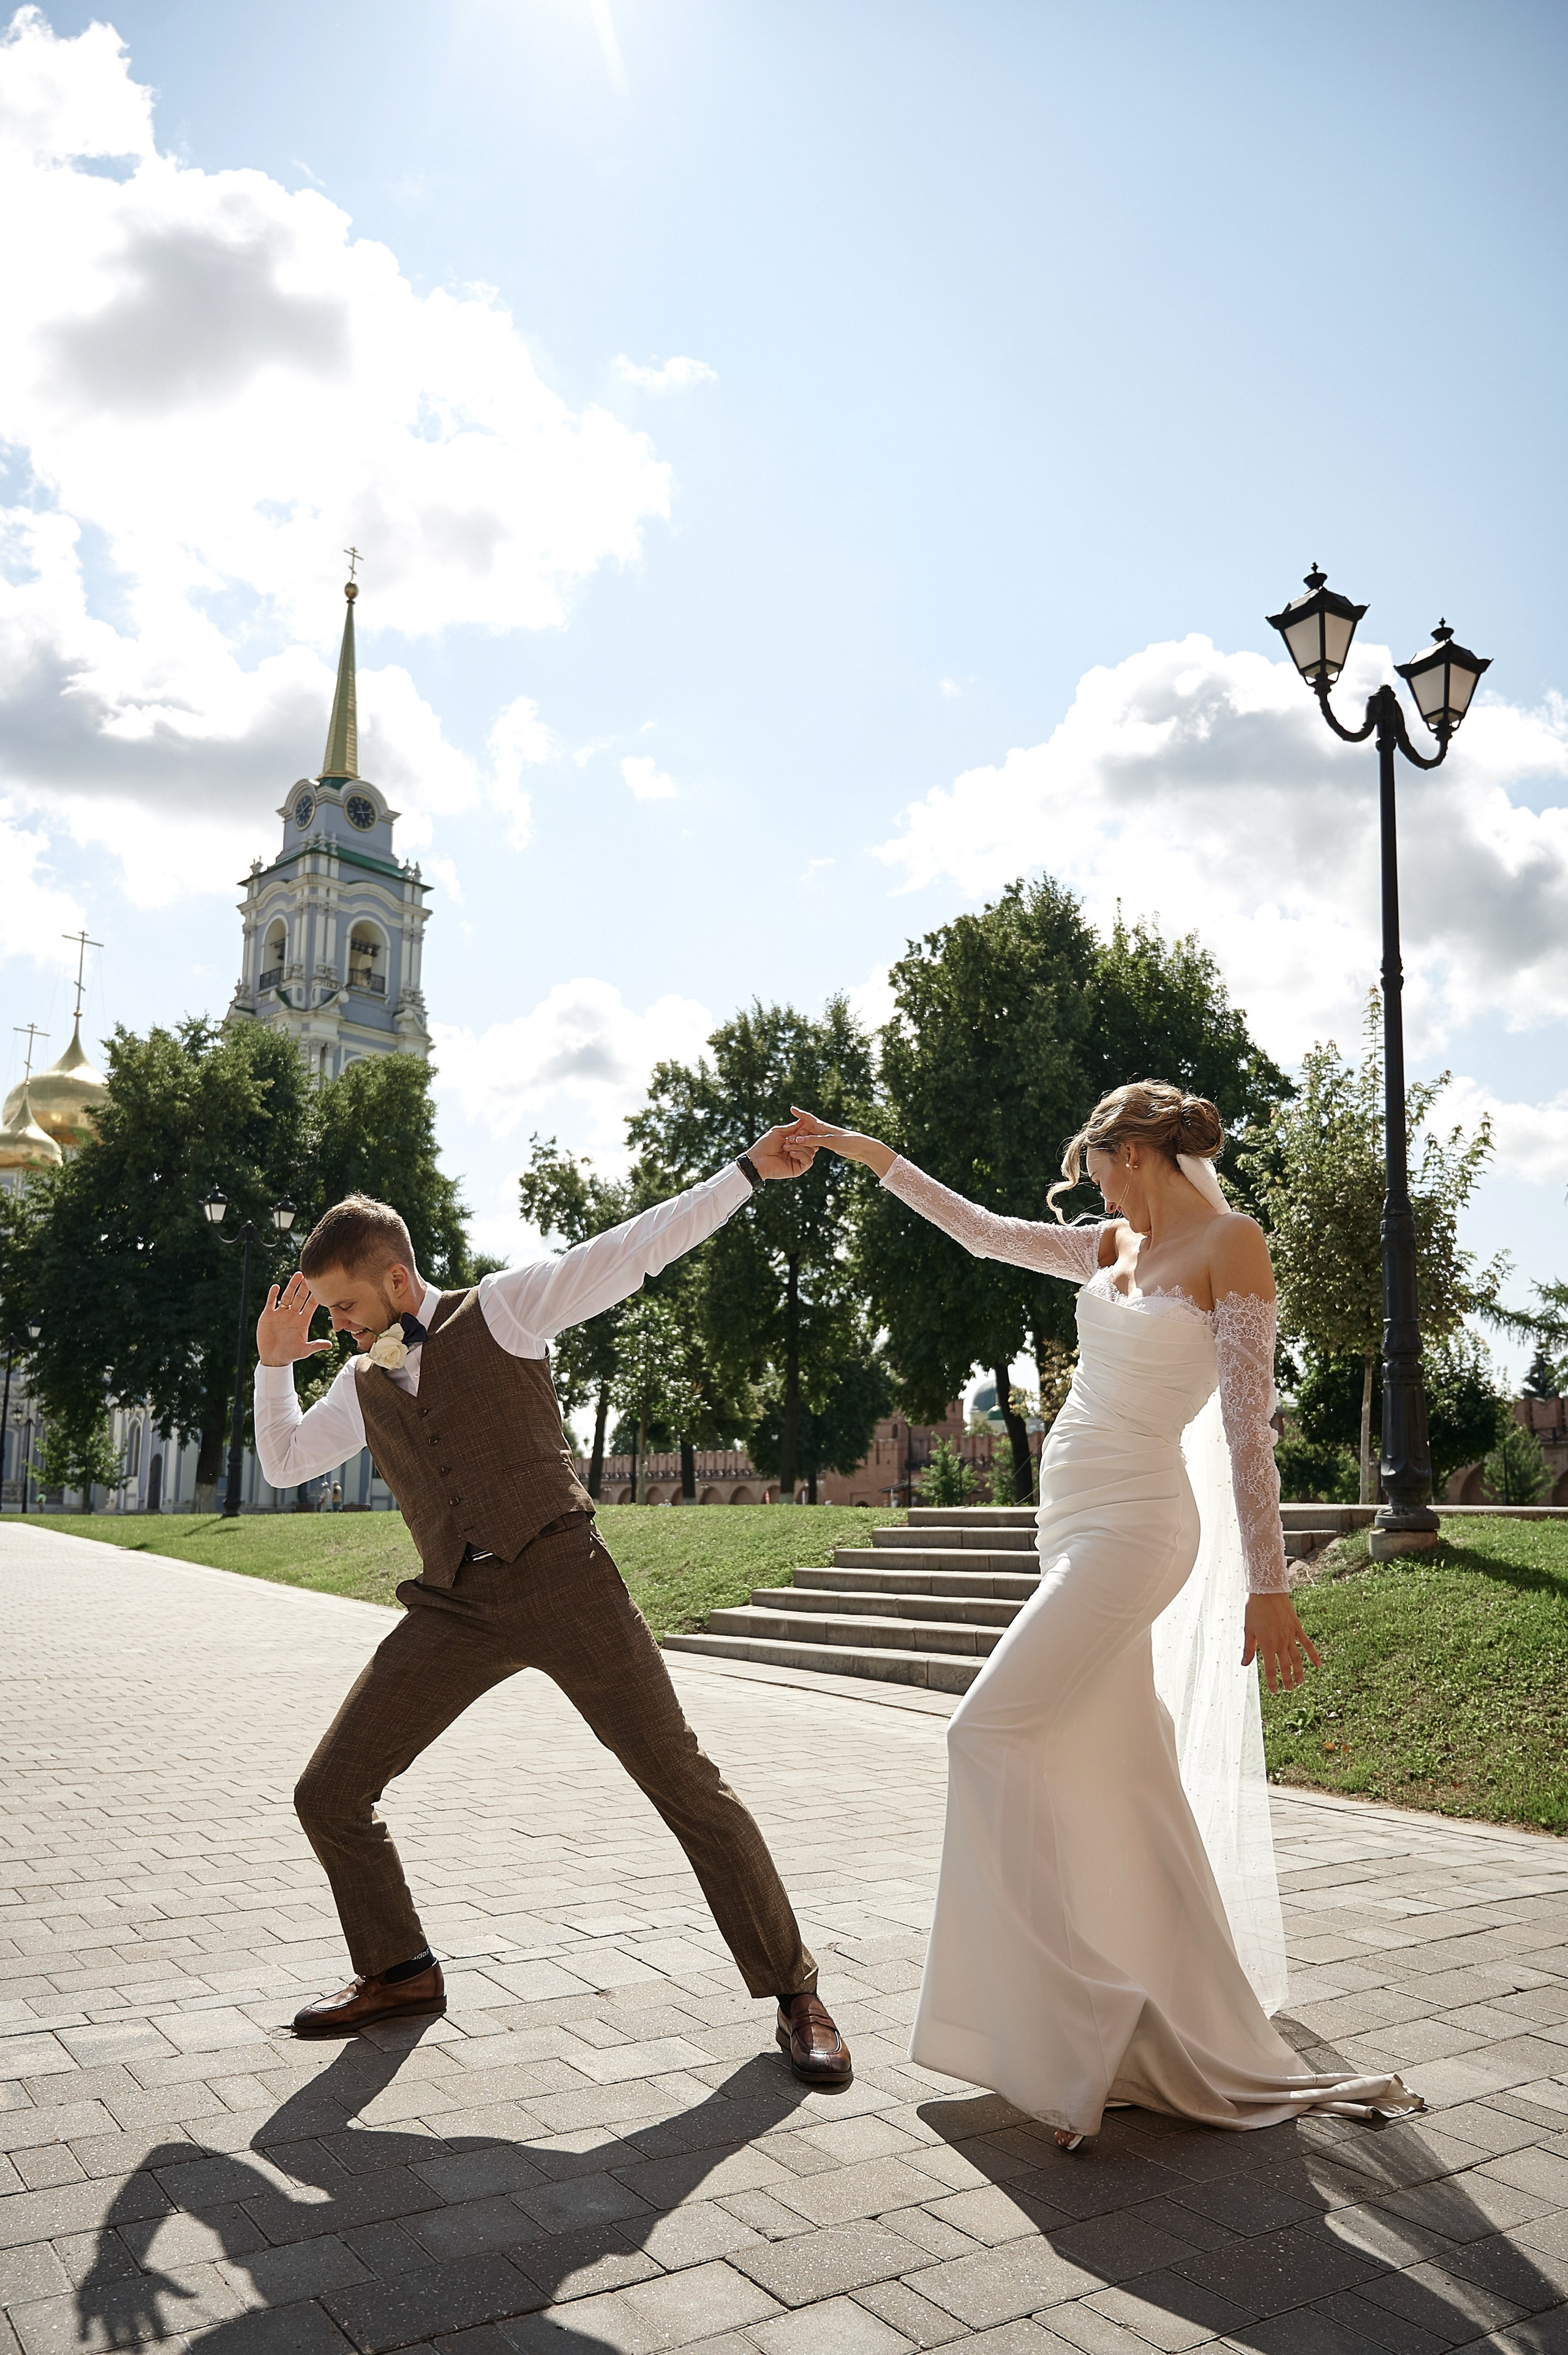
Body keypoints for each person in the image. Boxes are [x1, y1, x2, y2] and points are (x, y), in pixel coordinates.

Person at [784, 1086, 1422, 2144]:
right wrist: (866, 1153)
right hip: (1071, 1522)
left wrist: (1269, 1583)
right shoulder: (1109, 1244)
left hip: (1138, 1532)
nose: (1091, 1179)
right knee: (1125, 1775)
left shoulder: (1232, 1245)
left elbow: (1248, 1431)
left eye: (1098, 1159)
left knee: (983, 1733)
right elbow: (983, 1235)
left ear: (1136, 1151)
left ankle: (1080, 2026)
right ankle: (1161, 2020)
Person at [251, 1128, 851, 2087]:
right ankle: (400, 1972)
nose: (346, 1329)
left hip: (565, 1578)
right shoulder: (360, 1382)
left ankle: (797, 1993)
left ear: (401, 1282)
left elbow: (635, 1247)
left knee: (683, 1781)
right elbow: (283, 1464)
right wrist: (275, 1365)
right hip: (456, 1604)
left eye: (350, 1308)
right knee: (328, 1792)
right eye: (333, 1316)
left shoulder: (509, 1308)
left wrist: (742, 1175)